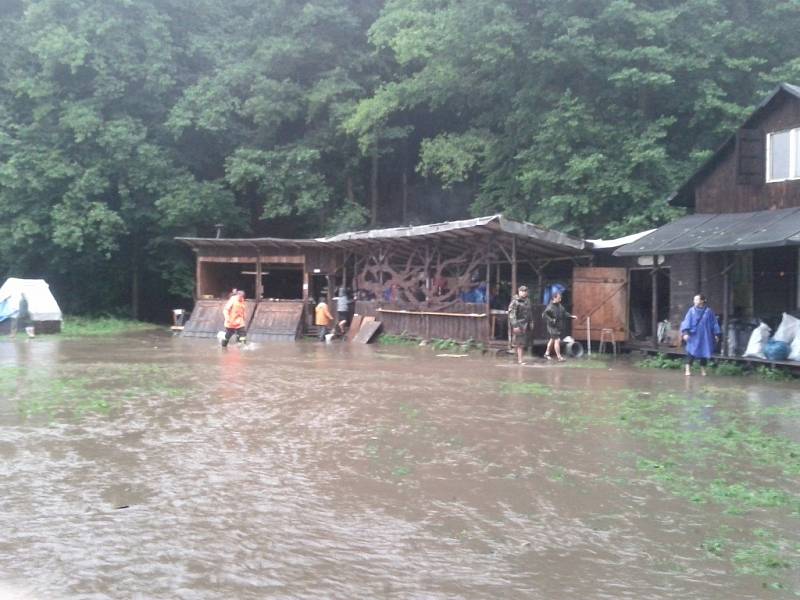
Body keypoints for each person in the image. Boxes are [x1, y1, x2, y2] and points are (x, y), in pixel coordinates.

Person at [680, 293, 720, 376]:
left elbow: (714, 323)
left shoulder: (709, 311)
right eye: (694, 299)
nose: (695, 301)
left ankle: (703, 370)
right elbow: (686, 322)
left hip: (705, 336)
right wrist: (685, 333)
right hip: (694, 335)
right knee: (691, 351)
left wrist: (716, 334)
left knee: (704, 352)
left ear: (702, 301)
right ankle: (687, 370)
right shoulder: (691, 311)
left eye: (697, 299)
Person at [542, 291, 577, 361]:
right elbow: (544, 315)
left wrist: (571, 316)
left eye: (560, 298)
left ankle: (546, 354)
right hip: (552, 326)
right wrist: (551, 320)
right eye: (559, 298)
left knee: (552, 339)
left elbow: (564, 313)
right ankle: (559, 357)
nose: (560, 299)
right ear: (554, 298)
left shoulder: (559, 305)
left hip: (557, 326)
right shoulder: (550, 307)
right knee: (557, 340)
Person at [508, 285, 534, 364]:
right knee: (520, 342)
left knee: (523, 342)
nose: (524, 293)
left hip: (526, 324)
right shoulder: (515, 301)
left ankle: (518, 357)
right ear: (519, 292)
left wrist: (531, 322)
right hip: (519, 324)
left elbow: (530, 312)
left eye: (525, 291)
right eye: (522, 291)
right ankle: (520, 360)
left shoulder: (528, 301)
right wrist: (515, 325)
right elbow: (512, 314)